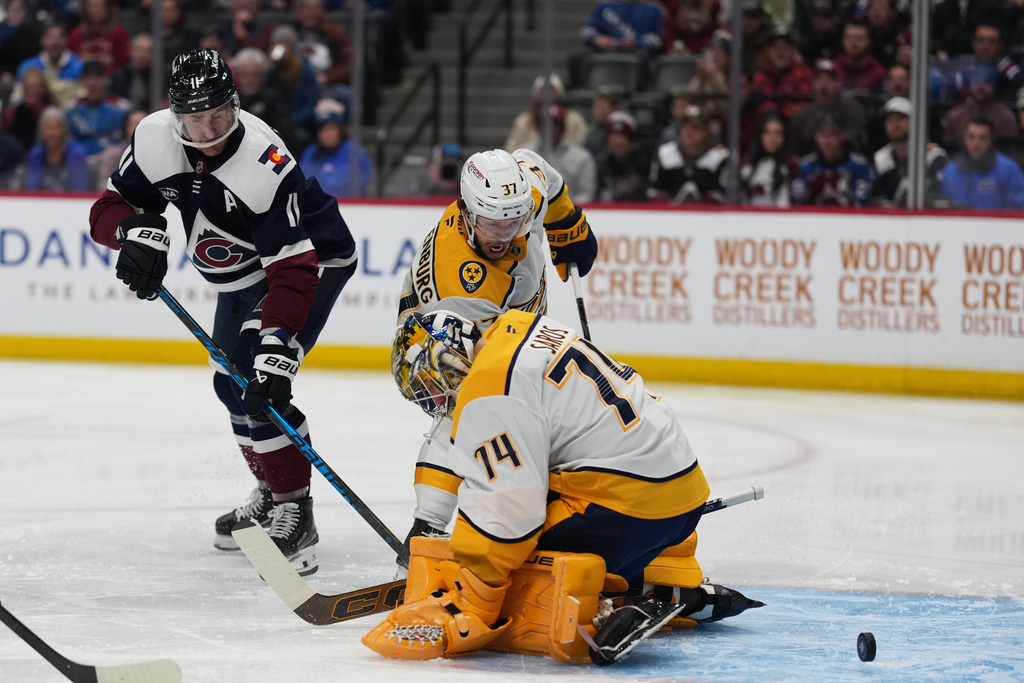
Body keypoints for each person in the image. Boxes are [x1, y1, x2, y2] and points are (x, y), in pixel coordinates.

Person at [87, 48, 359, 576]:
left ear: (235, 104)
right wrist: (131, 232)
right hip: (243, 273)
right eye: (195, 117)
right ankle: (271, 488)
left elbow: (294, 271)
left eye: (220, 114)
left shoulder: (263, 163)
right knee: (228, 385)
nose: (209, 129)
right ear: (174, 113)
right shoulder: (153, 137)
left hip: (310, 261)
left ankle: (294, 509)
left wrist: (277, 348)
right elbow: (109, 206)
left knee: (258, 381)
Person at [364, 309, 761, 662]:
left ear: (447, 362)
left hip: (627, 509)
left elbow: (509, 511)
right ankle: (668, 580)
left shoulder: (489, 385)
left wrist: (472, 597)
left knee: (512, 559)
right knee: (545, 497)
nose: (435, 402)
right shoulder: (522, 328)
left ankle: (607, 604)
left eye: (430, 388)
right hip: (682, 497)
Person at [392, 147, 598, 566]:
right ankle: (426, 530)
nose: (503, 234)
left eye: (514, 221)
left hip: (514, 320)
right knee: (474, 410)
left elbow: (538, 169)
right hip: (433, 344)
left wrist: (567, 223)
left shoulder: (520, 197)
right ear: (468, 212)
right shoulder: (461, 276)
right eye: (491, 223)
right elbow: (497, 357)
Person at [870, 97, 948, 207]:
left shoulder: (933, 155)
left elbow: (940, 198)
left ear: (914, 121)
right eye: (889, 119)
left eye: (900, 118)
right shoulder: (880, 158)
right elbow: (876, 199)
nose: (895, 124)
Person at [647, 104, 729, 203]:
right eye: (685, 127)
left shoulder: (719, 154)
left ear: (706, 131)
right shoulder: (666, 152)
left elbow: (720, 195)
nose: (689, 132)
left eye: (695, 128)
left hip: (707, 216)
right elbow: (655, 192)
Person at [787, 58, 867, 156]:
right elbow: (795, 148)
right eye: (818, 79)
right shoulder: (802, 116)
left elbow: (855, 137)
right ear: (812, 84)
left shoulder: (853, 110)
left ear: (839, 83)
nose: (824, 84)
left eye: (830, 79)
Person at [941, 116, 1024, 209]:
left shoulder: (1009, 170)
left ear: (991, 139)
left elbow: (1018, 209)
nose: (976, 143)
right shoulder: (950, 170)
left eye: (982, 138)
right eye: (971, 136)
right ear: (964, 137)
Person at [792, 112, 873, 206]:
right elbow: (799, 205)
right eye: (823, 134)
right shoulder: (805, 166)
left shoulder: (859, 165)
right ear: (816, 136)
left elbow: (862, 204)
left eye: (832, 134)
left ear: (842, 136)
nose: (827, 140)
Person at [522, 104, 598, 203]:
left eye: (553, 125)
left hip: (569, 212)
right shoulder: (524, 153)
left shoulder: (581, 157)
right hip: (532, 212)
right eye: (544, 125)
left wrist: (566, 210)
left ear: (562, 128)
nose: (548, 130)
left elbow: (587, 193)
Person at [298, 98, 373, 197]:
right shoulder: (311, 151)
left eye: (332, 129)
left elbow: (358, 183)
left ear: (340, 130)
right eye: (323, 130)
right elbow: (301, 181)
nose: (328, 134)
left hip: (348, 207)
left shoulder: (353, 151)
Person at [942, 62, 1018, 152]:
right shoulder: (954, 116)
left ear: (995, 85)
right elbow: (949, 150)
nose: (981, 87)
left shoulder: (1006, 117)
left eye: (987, 82)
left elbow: (1007, 151)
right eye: (976, 81)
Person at [504, 73, 588, 152]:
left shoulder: (573, 119)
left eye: (551, 89)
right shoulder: (524, 120)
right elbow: (511, 149)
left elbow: (581, 147)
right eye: (543, 90)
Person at [65, 60, 130, 157]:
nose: (92, 84)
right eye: (88, 78)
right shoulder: (70, 109)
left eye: (97, 78)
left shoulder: (123, 108)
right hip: (80, 163)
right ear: (82, 81)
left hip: (113, 164)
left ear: (106, 80)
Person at [749, 28, 813, 123]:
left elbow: (805, 107)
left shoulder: (804, 75)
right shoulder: (758, 78)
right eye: (774, 47)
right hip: (764, 128)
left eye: (785, 47)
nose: (780, 52)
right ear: (768, 51)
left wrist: (782, 113)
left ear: (793, 50)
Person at [22, 105, 89, 191]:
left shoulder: (77, 154)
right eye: (47, 128)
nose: (52, 134)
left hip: (70, 203)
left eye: (56, 128)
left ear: (64, 130)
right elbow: (32, 189)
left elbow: (79, 190)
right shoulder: (35, 154)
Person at [15, 23, 83, 105]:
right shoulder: (27, 67)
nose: (54, 42)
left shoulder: (79, 66)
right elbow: (16, 98)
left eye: (59, 38)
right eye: (49, 38)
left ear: (66, 40)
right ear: (42, 41)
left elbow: (82, 98)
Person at [740, 110, 795, 207]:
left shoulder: (792, 166)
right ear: (760, 135)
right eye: (767, 133)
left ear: (784, 137)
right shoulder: (747, 165)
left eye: (777, 133)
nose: (772, 139)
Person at [596, 110, 650, 201]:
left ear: (631, 140)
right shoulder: (602, 164)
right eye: (613, 136)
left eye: (622, 136)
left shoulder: (643, 163)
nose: (617, 142)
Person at [67, 0, 130, 75]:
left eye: (99, 7)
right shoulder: (76, 34)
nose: (95, 10)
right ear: (85, 9)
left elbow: (123, 61)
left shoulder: (119, 32)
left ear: (107, 9)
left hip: (112, 79)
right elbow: (70, 61)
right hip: (82, 79)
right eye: (91, 7)